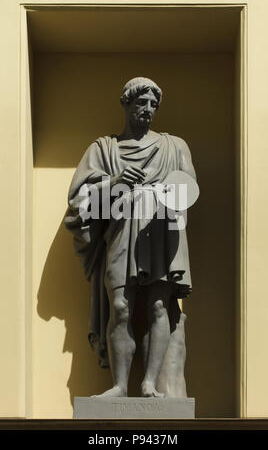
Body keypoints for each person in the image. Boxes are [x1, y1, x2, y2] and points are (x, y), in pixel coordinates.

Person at [65, 77, 196, 398]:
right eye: (141, 103)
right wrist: (116, 182)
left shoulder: (174, 146)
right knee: (121, 307)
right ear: (125, 104)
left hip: (162, 231)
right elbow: (80, 203)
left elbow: (189, 189)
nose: (148, 110)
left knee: (159, 306)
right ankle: (119, 386)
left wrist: (166, 191)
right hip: (121, 232)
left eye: (153, 104)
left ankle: (149, 383)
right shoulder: (103, 149)